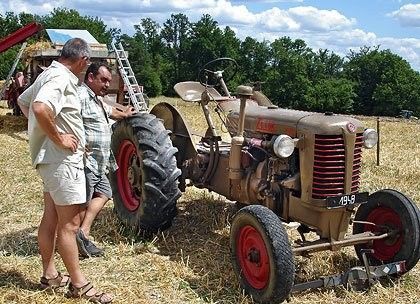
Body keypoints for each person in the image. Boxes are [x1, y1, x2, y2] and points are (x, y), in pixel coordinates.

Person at [18, 38, 113, 304]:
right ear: (82, 60)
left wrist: (43, 135)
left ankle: (50, 275)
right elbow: (38, 108)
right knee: (70, 225)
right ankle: (79, 285)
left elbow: (25, 102)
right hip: (62, 161)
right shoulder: (62, 79)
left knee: (50, 219)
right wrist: (59, 137)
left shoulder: (47, 73)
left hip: (52, 161)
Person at [77, 62, 135, 258]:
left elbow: (111, 113)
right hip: (86, 162)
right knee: (79, 206)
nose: (106, 85)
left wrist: (125, 114)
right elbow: (66, 118)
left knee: (104, 192)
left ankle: (82, 232)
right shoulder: (80, 96)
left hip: (100, 163)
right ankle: (74, 241)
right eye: (103, 80)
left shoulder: (97, 99)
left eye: (109, 81)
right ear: (91, 77)